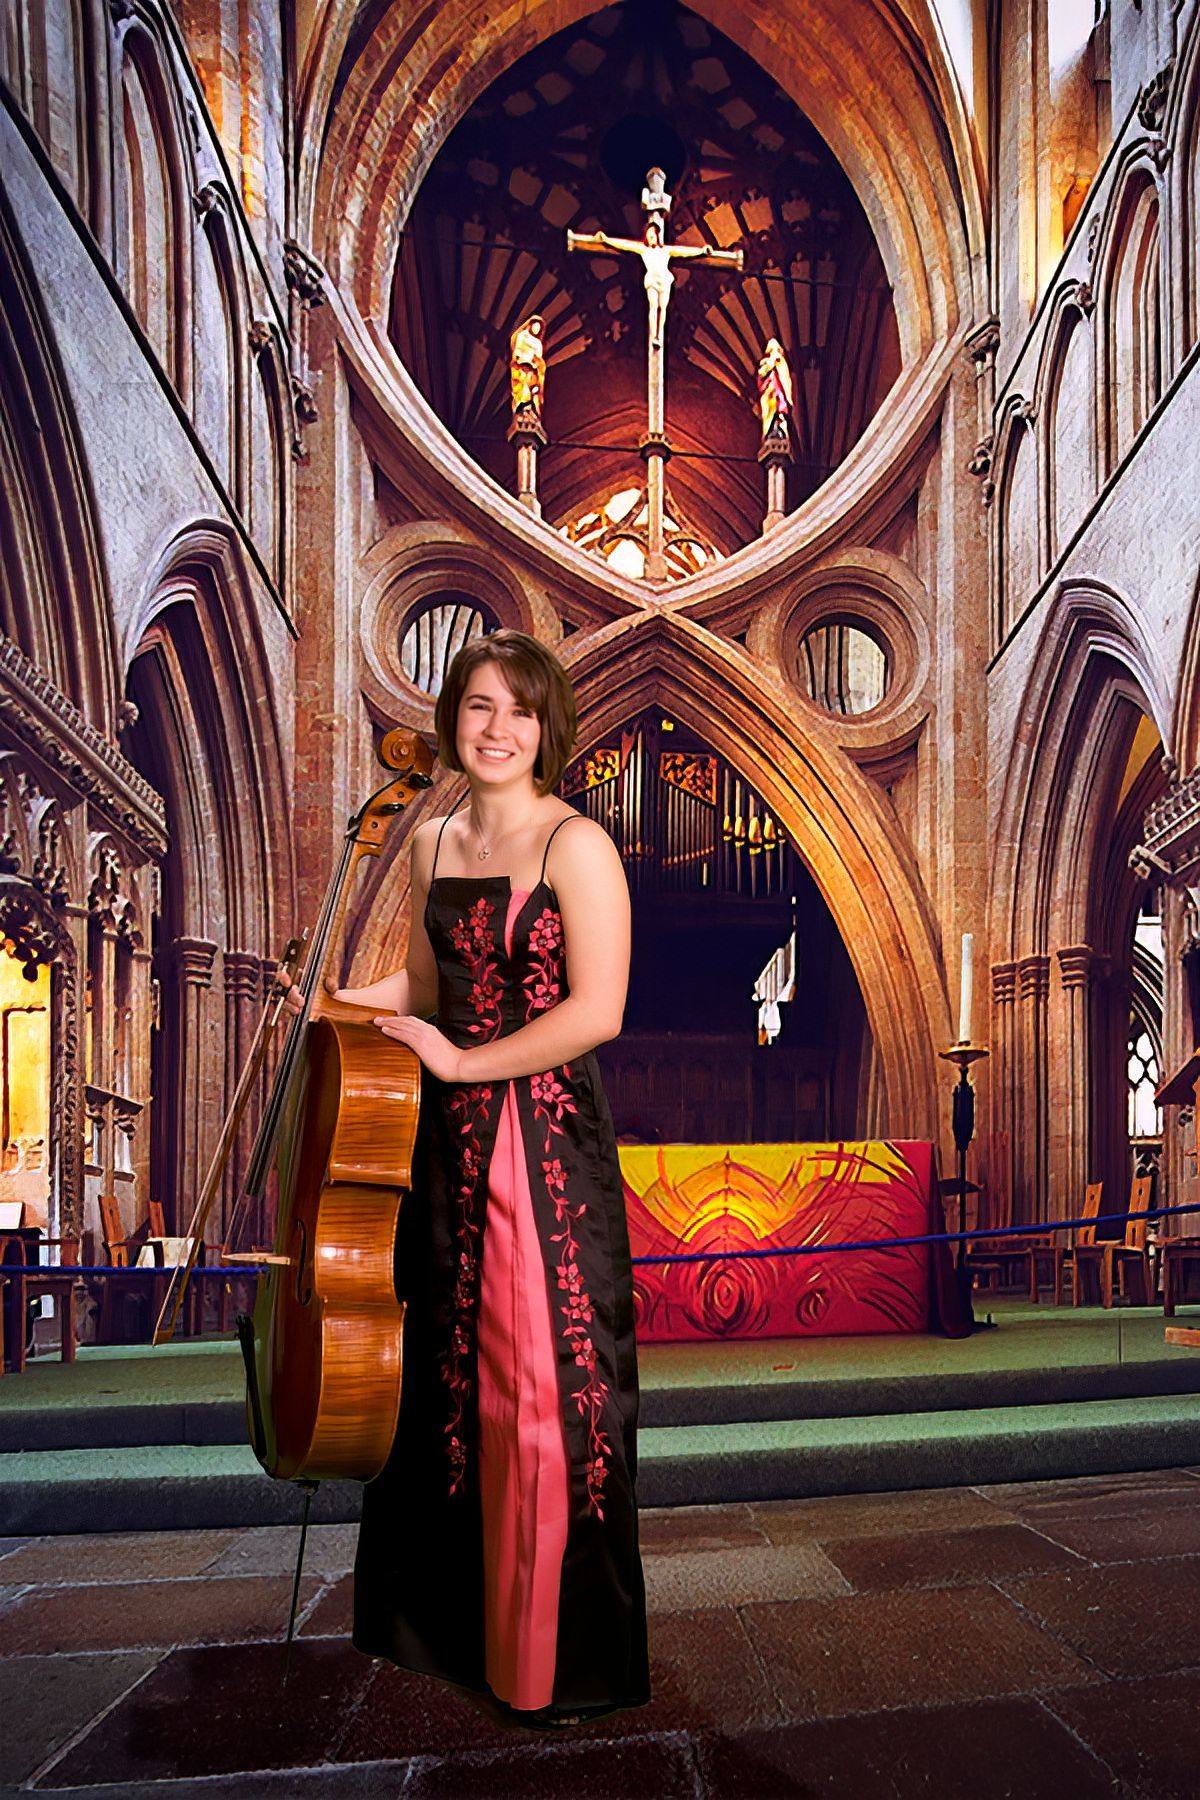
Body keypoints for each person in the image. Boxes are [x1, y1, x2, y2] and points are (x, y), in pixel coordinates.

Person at [326, 629, 649, 1726]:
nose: (497, 729)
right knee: (449, 1386)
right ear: (453, 721)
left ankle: (550, 1657)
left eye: (518, 710)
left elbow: (594, 1013)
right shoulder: (430, 844)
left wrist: (465, 1061)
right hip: (445, 1146)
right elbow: (422, 979)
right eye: (477, 708)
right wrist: (336, 1000)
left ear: (546, 727)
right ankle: (456, 1635)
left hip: (543, 1149)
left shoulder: (577, 846)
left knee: (541, 1395)